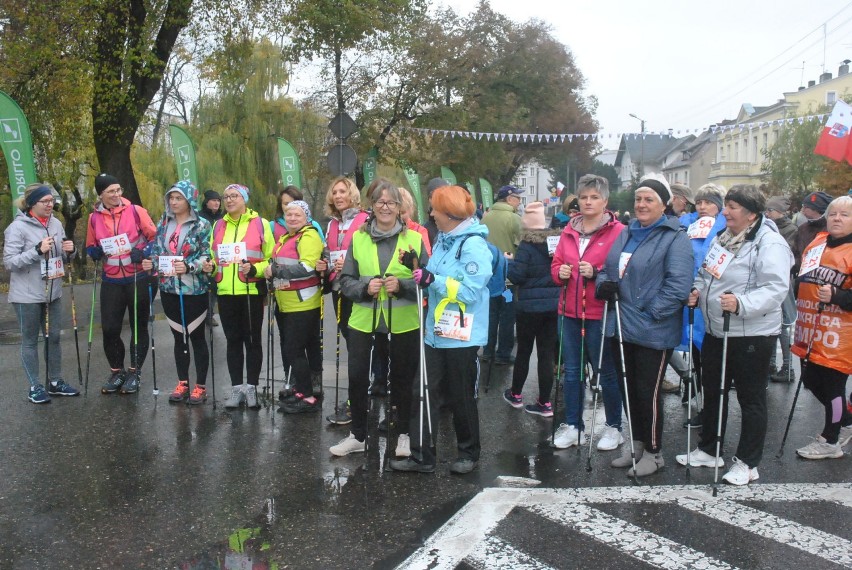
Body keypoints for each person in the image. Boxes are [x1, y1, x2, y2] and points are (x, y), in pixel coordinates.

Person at [678, 184, 792, 486]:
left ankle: (748, 462)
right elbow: (707, 272)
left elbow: (776, 288)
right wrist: (697, 292)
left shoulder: (770, 244)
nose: (725, 212)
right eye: (726, 205)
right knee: (714, 391)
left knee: (751, 398)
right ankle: (709, 448)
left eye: (732, 207)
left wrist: (742, 303)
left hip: (752, 333)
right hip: (718, 328)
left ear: (752, 213)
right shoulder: (723, 237)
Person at [389, 185, 491, 474]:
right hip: (436, 333)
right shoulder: (445, 240)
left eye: (434, 208)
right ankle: (422, 455)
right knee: (423, 390)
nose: (431, 214)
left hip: (461, 336)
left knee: (460, 395)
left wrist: (433, 279)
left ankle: (468, 453)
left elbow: (471, 292)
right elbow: (434, 277)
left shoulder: (473, 245)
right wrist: (418, 268)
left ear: (450, 213)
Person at [597, 174, 693, 477]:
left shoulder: (675, 237)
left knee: (647, 392)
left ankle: (654, 451)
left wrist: (650, 312)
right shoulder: (626, 233)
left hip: (653, 328)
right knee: (628, 390)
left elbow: (678, 286)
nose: (641, 204)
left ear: (664, 204)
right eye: (638, 199)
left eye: (649, 199)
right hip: (620, 326)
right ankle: (637, 445)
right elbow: (608, 270)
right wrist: (604, 286)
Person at [330, 180, 428, 457]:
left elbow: (426, 282)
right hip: (364, 319)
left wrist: (403, 286)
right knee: (358, 377)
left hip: (404, 321)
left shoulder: (415, 240)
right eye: (380, 202)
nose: (385, 207)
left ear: (400, 208)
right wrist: (363, 288)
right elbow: (345, 280)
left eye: (391, 203)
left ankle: (404, 436)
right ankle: (357, 436)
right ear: (371, 206)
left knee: (402, 379)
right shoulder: (358, 238)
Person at [550, 176, 625, 450]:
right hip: (569, 311)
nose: (588, 202)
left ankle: (614, 427)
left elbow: (622, 270)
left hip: (600, 312)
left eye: (594, 197)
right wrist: (560, 272)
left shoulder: (618, 232)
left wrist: (596, 273)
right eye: (584, 197)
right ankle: (573, 425)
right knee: (572, 371)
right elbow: (556, 265)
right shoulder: (568, 231)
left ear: (605, 202)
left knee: (606, 372)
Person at [4, 183, 79, 403]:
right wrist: (36, 251)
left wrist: (70, 251)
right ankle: (35, 386)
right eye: (44, 201)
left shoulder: (55, 223)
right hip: (26, 295)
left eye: (51, 201)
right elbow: (9, 263)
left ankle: (55, 381)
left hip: (52, 292)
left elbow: (64, 257)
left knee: (54, 337)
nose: (50, 205)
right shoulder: (16, 228)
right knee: (29, 341)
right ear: (31, 204)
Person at [201, 183, 273, 409]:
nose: (229, 200)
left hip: (250, 290)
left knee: (252, 341)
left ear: (244, 199)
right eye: (226, 197)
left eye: (234, 196)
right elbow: (214, 258)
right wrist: (209, 267)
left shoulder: (260, 224)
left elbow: (271, 259)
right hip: (225, 292)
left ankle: (251, 387)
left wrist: (255, 270)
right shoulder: (218, 226)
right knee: (233, 341)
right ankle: (236, 388)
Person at [140, 181, 212, 404]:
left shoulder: (202, 225)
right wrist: (150, 263)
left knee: (197, 337)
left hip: (194, 289)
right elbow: (159, 251)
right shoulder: (164, 222)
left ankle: (200, 385)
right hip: (169, 287)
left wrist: (191, 266)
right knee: (178, 337)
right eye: (171, 198)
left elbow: (208, 256)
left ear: (189, 200)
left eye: (178, 198)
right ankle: (183, 382)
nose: (173, 202)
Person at [85, 173, 157, 394]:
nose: (116, 195)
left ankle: (134, 373)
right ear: (101, 194)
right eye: (111, 191)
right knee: (110, 329)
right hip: (112, 279)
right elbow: (90, 245)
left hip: (138, 277)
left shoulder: (136, 211)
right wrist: (94, 252)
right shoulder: (94, 218)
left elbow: (156, 238)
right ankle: (117, 372)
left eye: (118, 190)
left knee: (138, 326)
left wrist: (142, 251)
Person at [792, 195, 852, 459]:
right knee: (810, 379)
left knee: (833, 386)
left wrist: (838, 297)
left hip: (841, 335)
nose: (837, 218)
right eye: (834, 213)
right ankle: (845, 420)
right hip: (812, 328)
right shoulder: (817, 242)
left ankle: (830, 440)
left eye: (845, 215)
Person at [265, 200, 324, 414]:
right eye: (288, 214)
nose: (291, 218)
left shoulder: (309, 236)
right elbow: (274, 263)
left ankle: (308, 397)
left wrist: (276, 271)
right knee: (295, 349)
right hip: (287, 302)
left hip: (302, 302)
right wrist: (259, 271)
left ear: (306, 218)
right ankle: (301, 389)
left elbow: (308, 267)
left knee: (294, 350)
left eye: (297, 215)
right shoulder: (286, 237)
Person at [503, 201, 560, 418]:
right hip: (553, 306)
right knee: (547, 354)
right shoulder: (556, 244)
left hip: (528, 308)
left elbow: (517, 276)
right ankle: (544, 402)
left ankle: (515, 394)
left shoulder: (526, 246)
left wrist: (508, 262)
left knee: (524, 352)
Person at [679, 184, 727, 427]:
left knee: (713, 360)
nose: (702, 207)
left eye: (708, 202)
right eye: (699, 202)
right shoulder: (686, 225)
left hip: (714, 300)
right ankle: (704, 405)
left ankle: (713, 411)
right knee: (697, 356)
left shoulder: (726, 228)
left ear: (719, 205)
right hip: (691, 297)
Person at [480, 185, 522, 365]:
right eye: (518, 198)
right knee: (507, 316)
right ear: (509, 198)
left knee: (490, 315)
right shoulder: (514, 219)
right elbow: (521, 247)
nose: (519, 201)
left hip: (488, 277)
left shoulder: (485, 218)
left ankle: (487, 351)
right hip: (507, 280)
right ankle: (503, 354)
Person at [764, 195, 798, 383]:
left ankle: (788, 366)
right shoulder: (768, 226)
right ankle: (771, 364)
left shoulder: (790, 229)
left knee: (783, 326)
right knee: (772, 326)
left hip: (783, 282)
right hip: (772, 281)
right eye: (766, 210)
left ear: (780, 212)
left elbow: (787, 254)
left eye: (770, 210)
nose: (767, 213)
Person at [199, 189, 223, 326]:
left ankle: (210, 313)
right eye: (214, 200)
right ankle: (205, 314)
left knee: (215, 285)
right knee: (208, 285)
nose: (217, 203)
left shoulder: (222, 218)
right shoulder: (200, 217)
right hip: (205, 254)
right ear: (206, 202)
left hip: (220, 255)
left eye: (219, 201)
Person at [793, 191, 832, 272]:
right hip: (801, 278)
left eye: (805, 207)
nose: (802, 209)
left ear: (816, 209)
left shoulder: (831, 230)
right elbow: (795, 253)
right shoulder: (802, 229)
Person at [400, 187, 432, 255]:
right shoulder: (386, 230)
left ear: (410, 210)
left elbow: (427, 260)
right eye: (396, 213)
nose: (399, 217)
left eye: (403, 213)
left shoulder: (420, 231)